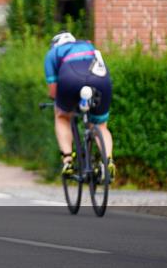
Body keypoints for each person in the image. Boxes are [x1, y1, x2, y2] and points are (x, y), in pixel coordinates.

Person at [44, 32, 115, 177]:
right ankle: (107, 162)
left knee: (62, 116)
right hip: (100, 78)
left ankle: (68, 160)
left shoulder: (52, 53)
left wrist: (60, 103)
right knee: (101, 125)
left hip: (70, 77)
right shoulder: (88, 45)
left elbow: (53, 91)